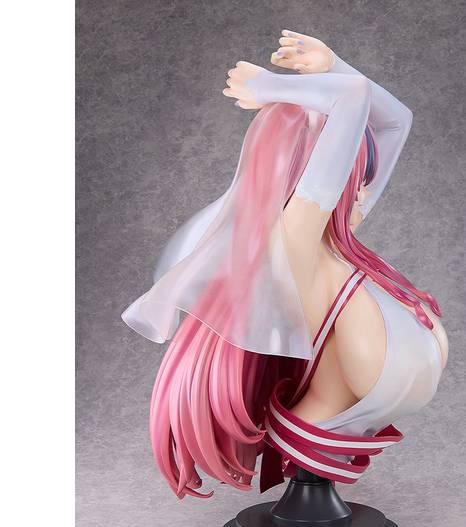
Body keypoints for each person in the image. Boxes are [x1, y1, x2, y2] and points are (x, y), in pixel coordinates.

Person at [122, 30, 448, 499]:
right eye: (348, 159)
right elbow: (354, 97)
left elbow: (396, 121)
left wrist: (332, 63)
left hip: (381, 374)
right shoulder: (296, 232)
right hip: (379, 376)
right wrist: (270, 88)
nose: (359, 180)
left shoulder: (340, 221)